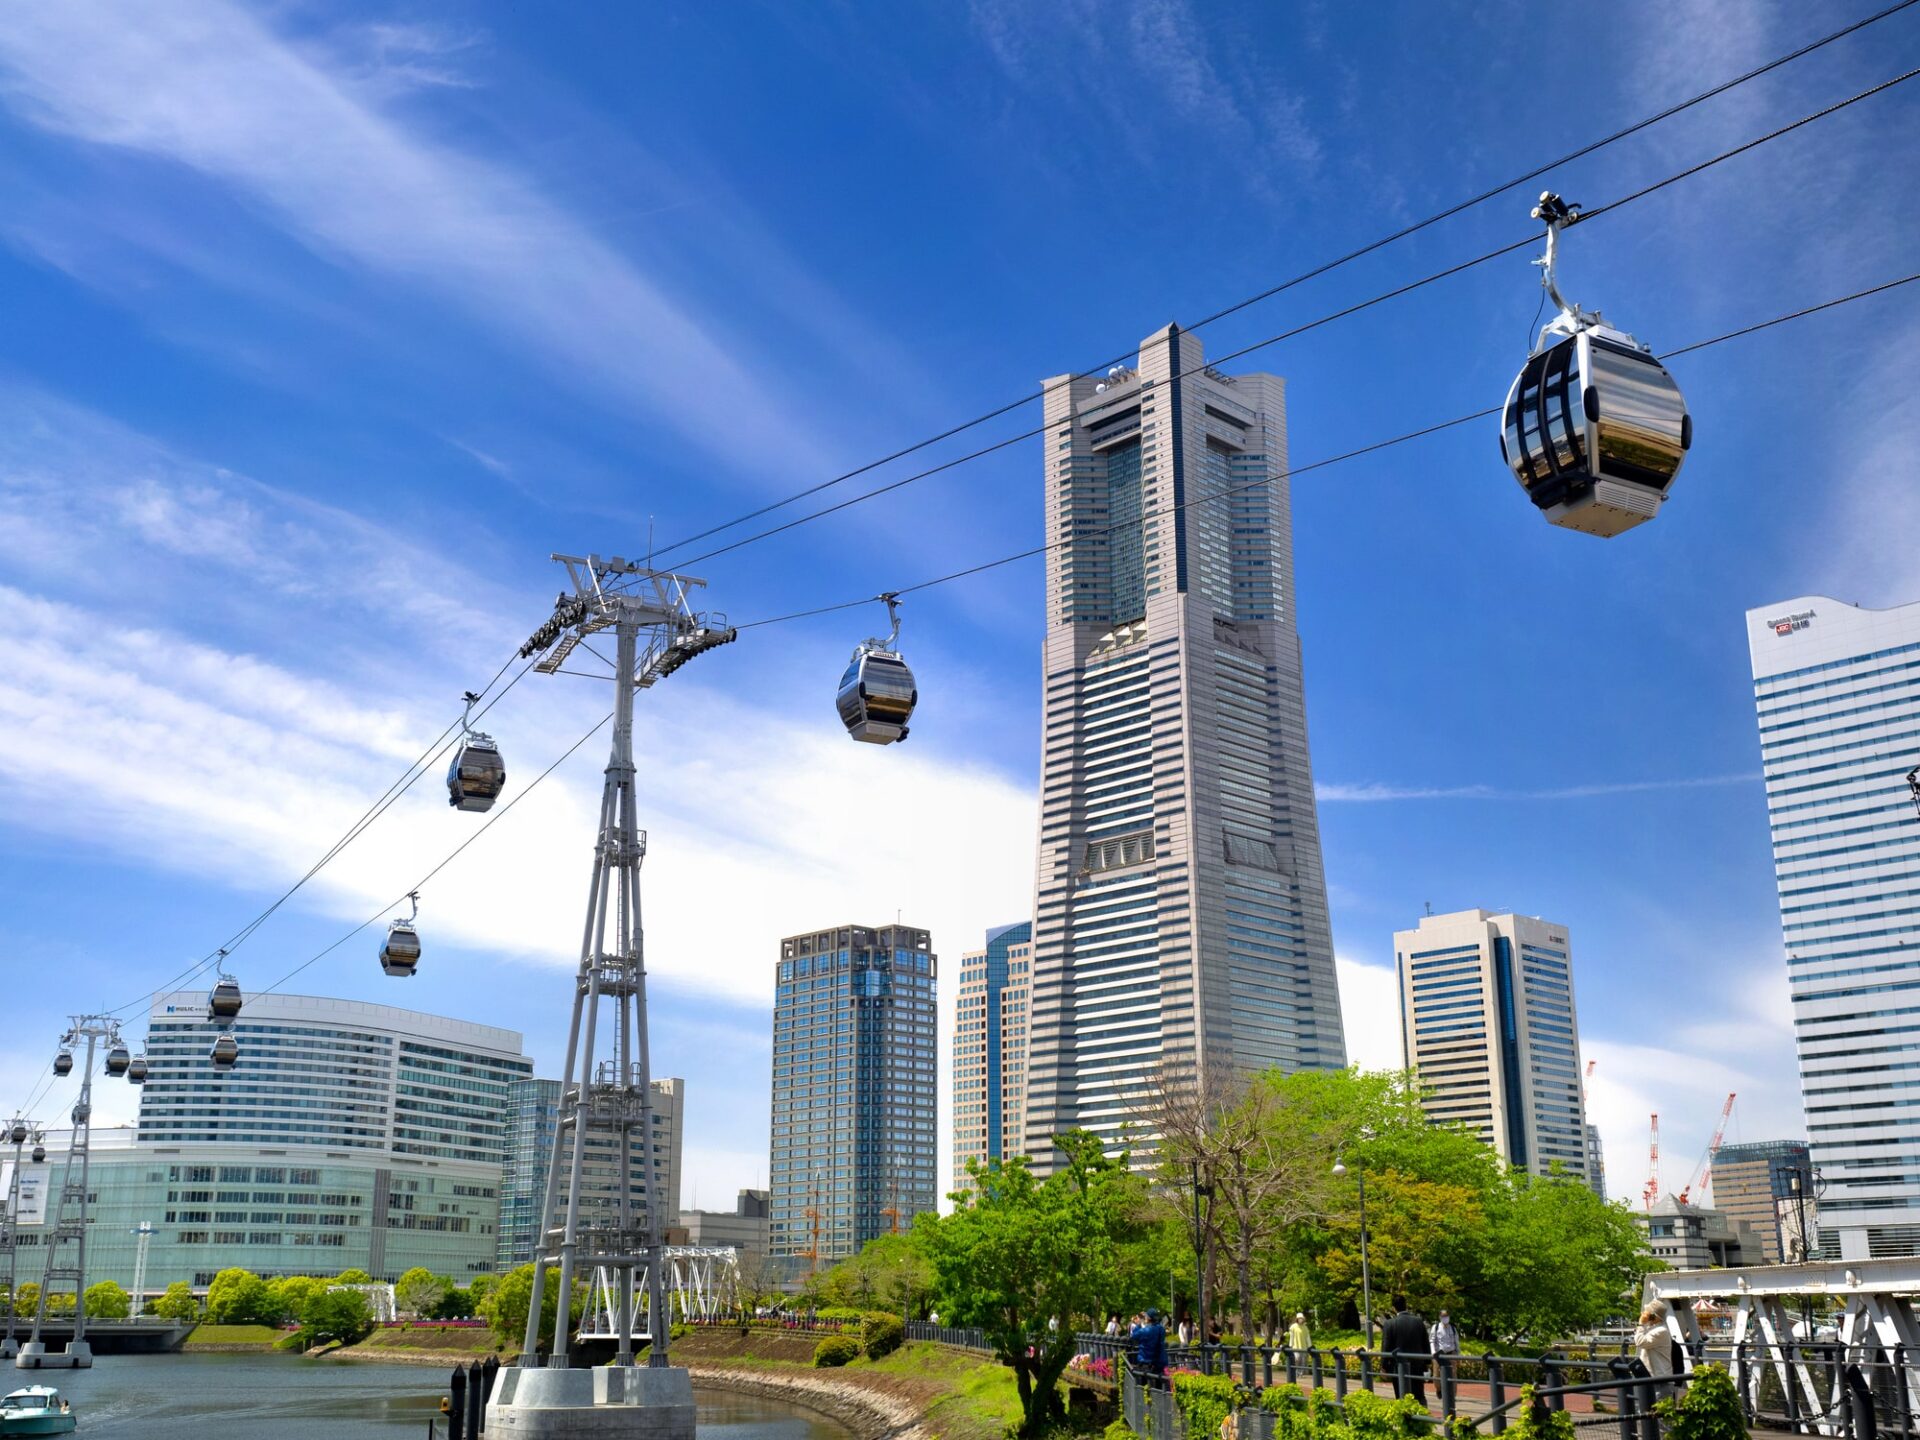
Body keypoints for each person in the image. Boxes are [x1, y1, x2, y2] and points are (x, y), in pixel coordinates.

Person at [1381, 1295, 1432, 1407]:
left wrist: (1384, 1367)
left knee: (1401, 1395)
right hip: (1417, 1365)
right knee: (1419, 1394)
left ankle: (1405, 1415)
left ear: (1393, 1308)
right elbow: (1425, 1343)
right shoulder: (1418, 1321)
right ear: (1406, 1305)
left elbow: (1386, 1347)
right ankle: (1422, 1414)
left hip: (1398, 1366)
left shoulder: (1389, 1324)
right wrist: (1428, 1362)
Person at [1633, 1300, 1674, 1380]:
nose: (1643, 1313)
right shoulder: (1653, 1328)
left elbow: (1639, 1342)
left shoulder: (1661, 1331)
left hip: (1659, 1377)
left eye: (1647, 1312)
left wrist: (1641, 1323)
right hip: (1652, 1375)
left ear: (1653, 1316)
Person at [1132, 1306, 1169, 1382]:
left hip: (1146, 1361)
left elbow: (1134, 1336)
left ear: (1148, 1318)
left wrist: (1139, 1324)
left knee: (1144, 1385)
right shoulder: (1161, 1329)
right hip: (1159, 1362)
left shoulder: (1145, 1330)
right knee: (1159, 1385)